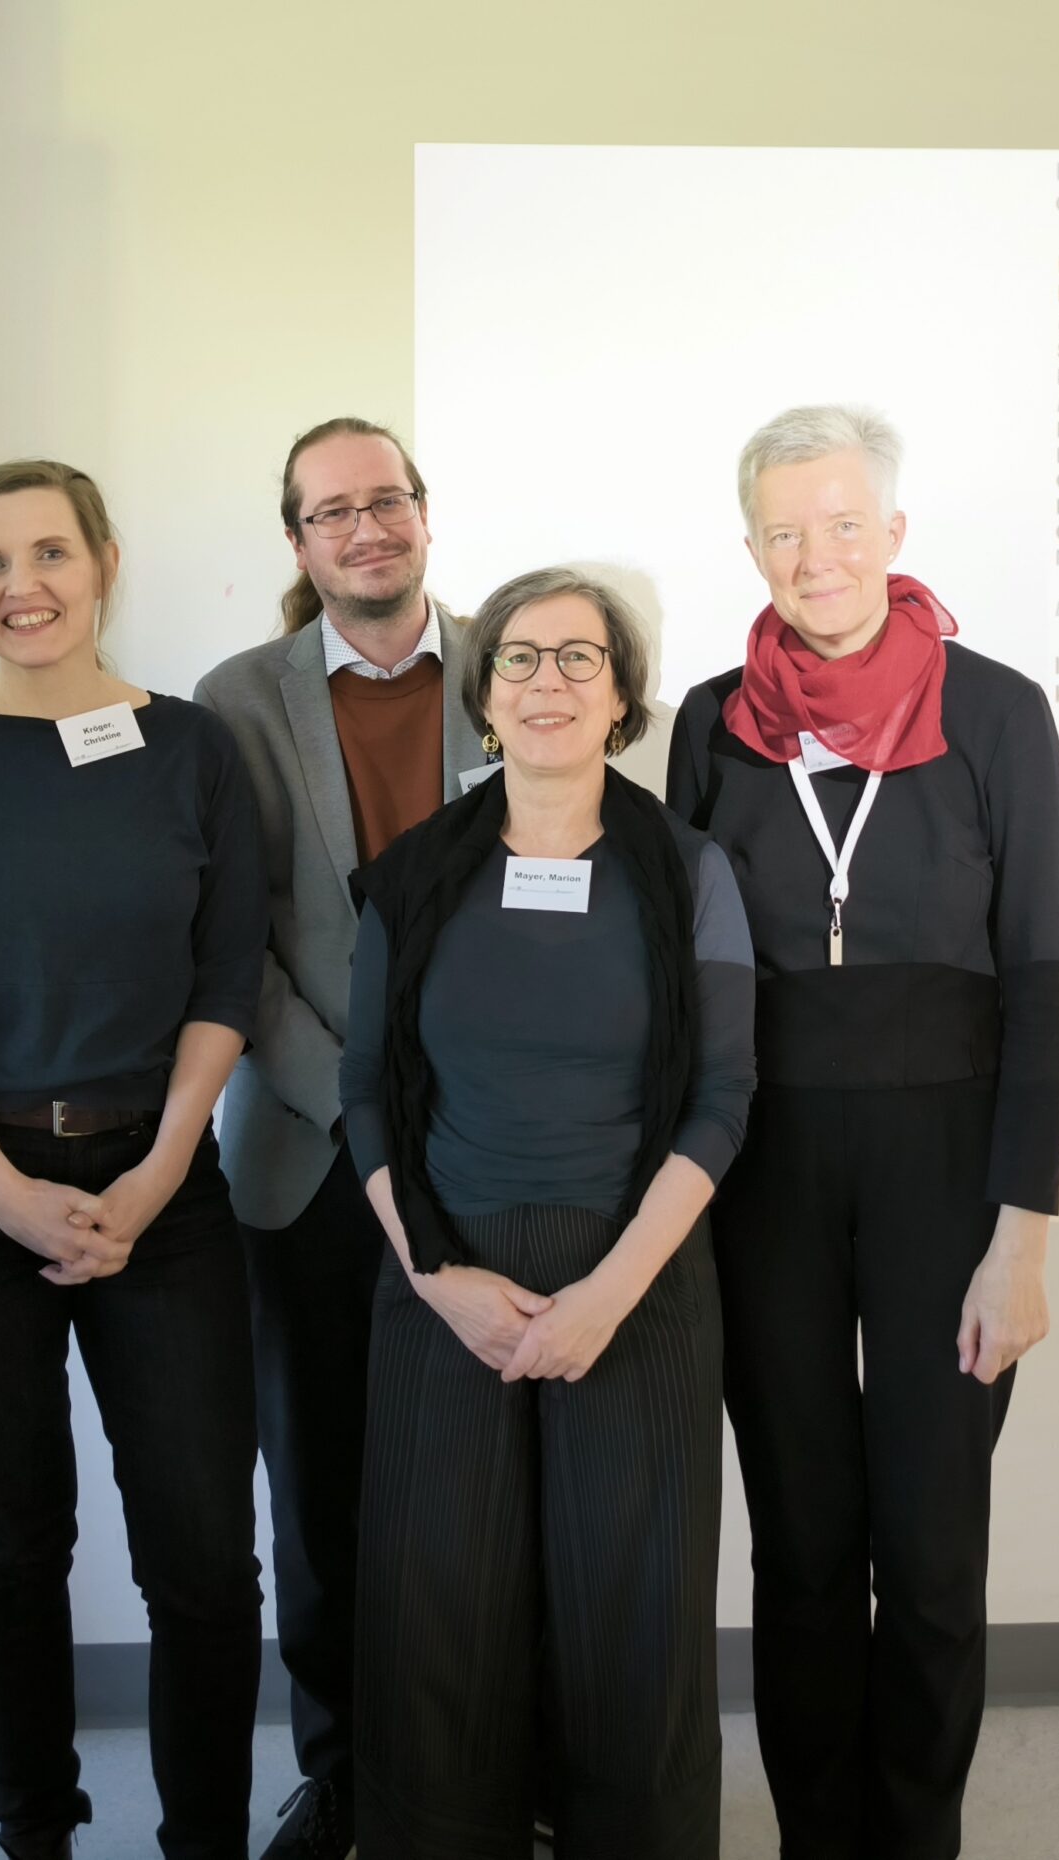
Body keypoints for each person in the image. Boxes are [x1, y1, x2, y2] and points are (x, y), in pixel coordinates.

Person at [0, 459, 268, 1860]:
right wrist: (2, 1191)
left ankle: (203, 1836)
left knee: (203, 1554)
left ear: (104, 564)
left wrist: (154, 1176)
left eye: (48, 555)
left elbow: (228, 975)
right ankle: (38, 1834)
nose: (19, 588)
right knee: (15, 1542)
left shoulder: (195, 747)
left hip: (165, 1189)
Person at [666, 405, 1059, 1860]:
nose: (815, 555)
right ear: (752, 548)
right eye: (784, 531)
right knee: (802, 1544)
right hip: (764, 1175)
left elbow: (1040, 983)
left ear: (895, 536)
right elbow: (689, 985)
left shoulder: (998, 709)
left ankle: (916, 1837)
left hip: (951, 1176)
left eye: (843, 525)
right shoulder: (713, 722)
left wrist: (1021, 1231)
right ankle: (816, 1836)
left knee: (934, 1543)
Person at [341, 567, 757, 1860]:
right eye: (520, 659)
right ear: (482, 697)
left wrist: (609, 1297)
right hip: (443, 1288)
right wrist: (436, 1278)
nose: (548, 684)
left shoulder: (693, 873)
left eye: (581, 660)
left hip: (636, 1286)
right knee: (439, 1639)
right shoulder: (411, 879)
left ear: (625, 699)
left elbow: (724, 1099)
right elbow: (366, 1097)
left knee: (632, 1637)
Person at [192, 415, 484, 1859]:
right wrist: (364, 1115)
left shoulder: (525, 666)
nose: (367, 529)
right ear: (299, 545)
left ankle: (483, 1775)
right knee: (319, 1493)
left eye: (389, 501)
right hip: (310, 1160)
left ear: (425, 514)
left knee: (482, 1492)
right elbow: (233, 949)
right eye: (332, 513)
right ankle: (346, 1780)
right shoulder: (236, 701)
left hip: (498, 1154)